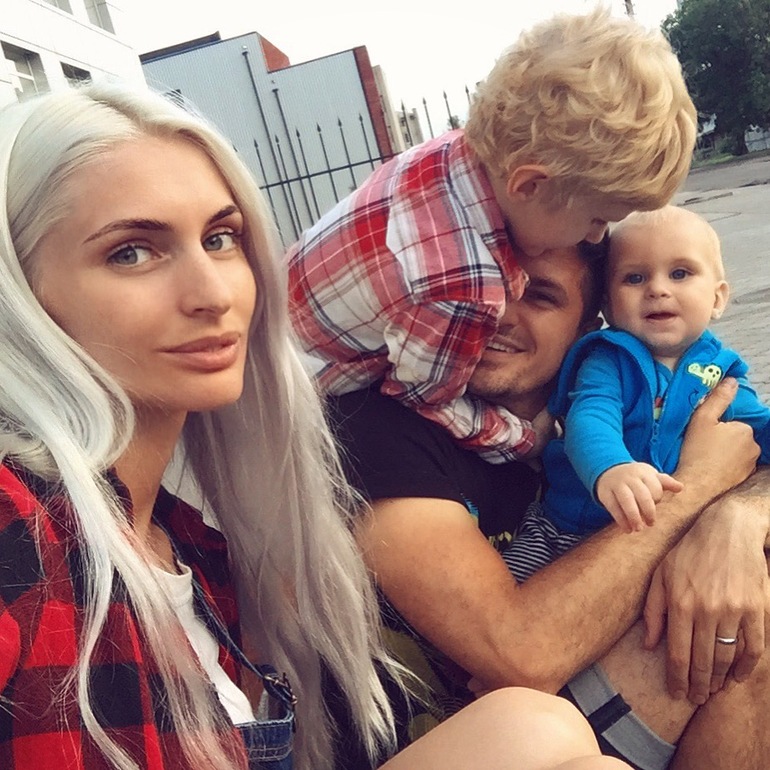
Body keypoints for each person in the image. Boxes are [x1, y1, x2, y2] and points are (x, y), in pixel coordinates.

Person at [0, 83, 634, 770]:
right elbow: (522, 651)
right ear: (21, 293)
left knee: (538, 727)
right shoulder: (16, 522)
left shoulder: (190, 542)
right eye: (131, 252)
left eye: (220, 238)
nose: (213, 293)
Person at [329, 233, 769, 770]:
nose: (499, 314)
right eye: (486, 287)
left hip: (565, 708)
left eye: (539, 296)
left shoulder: (615, 405)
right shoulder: (379, 426)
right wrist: (697, 489)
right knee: (747, 632)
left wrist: (736, 520)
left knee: (748, 600)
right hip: (463, 735)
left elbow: (747, 449)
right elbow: (521, 656)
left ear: (588, 325)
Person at [288, 7, 696, 466]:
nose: (597, 235)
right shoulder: (462, 283)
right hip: (298, 399)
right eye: (596, 218)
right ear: (530, 185)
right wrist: (523, 438)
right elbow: (424, 398)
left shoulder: (445, 154)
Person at [504, 205, 770, 582]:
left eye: (680, 273)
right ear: (609, 306)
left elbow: (757, 427)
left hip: (667, 533)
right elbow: (590, 418)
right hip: (567, 529)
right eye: (635, 277)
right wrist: (611, 468)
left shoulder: (721, 371)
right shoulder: (609, 359)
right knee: (515, 587)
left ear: (717, 298)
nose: (658, 289)